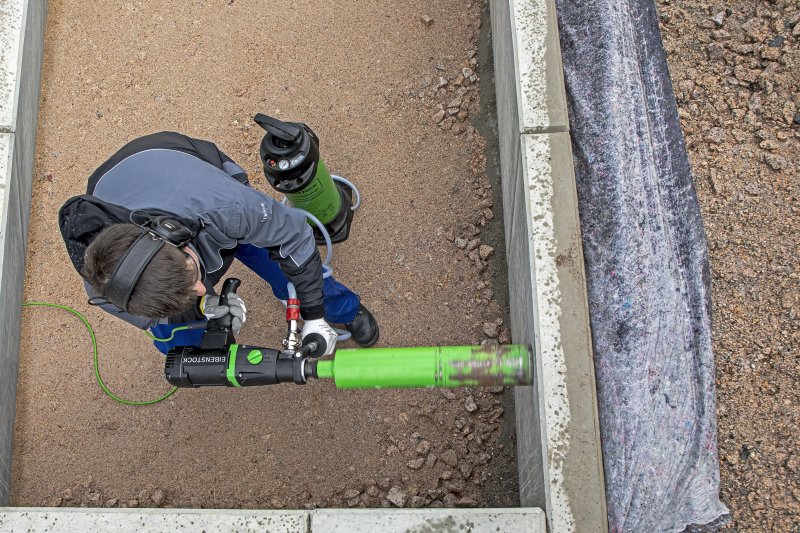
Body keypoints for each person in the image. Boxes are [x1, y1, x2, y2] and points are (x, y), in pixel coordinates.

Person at [58, 131, 378, 355]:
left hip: (191, 180)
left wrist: (313, 314)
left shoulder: (227, 207)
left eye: (195, 279)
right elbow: (156, 314)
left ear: (174, 237)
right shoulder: (103, 281)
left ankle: (343, 309)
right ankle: (208, 349)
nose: (203, 288)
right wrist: (201, 307)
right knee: (174, 332)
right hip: (146, 193)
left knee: (287, 267)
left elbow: (294, 236)